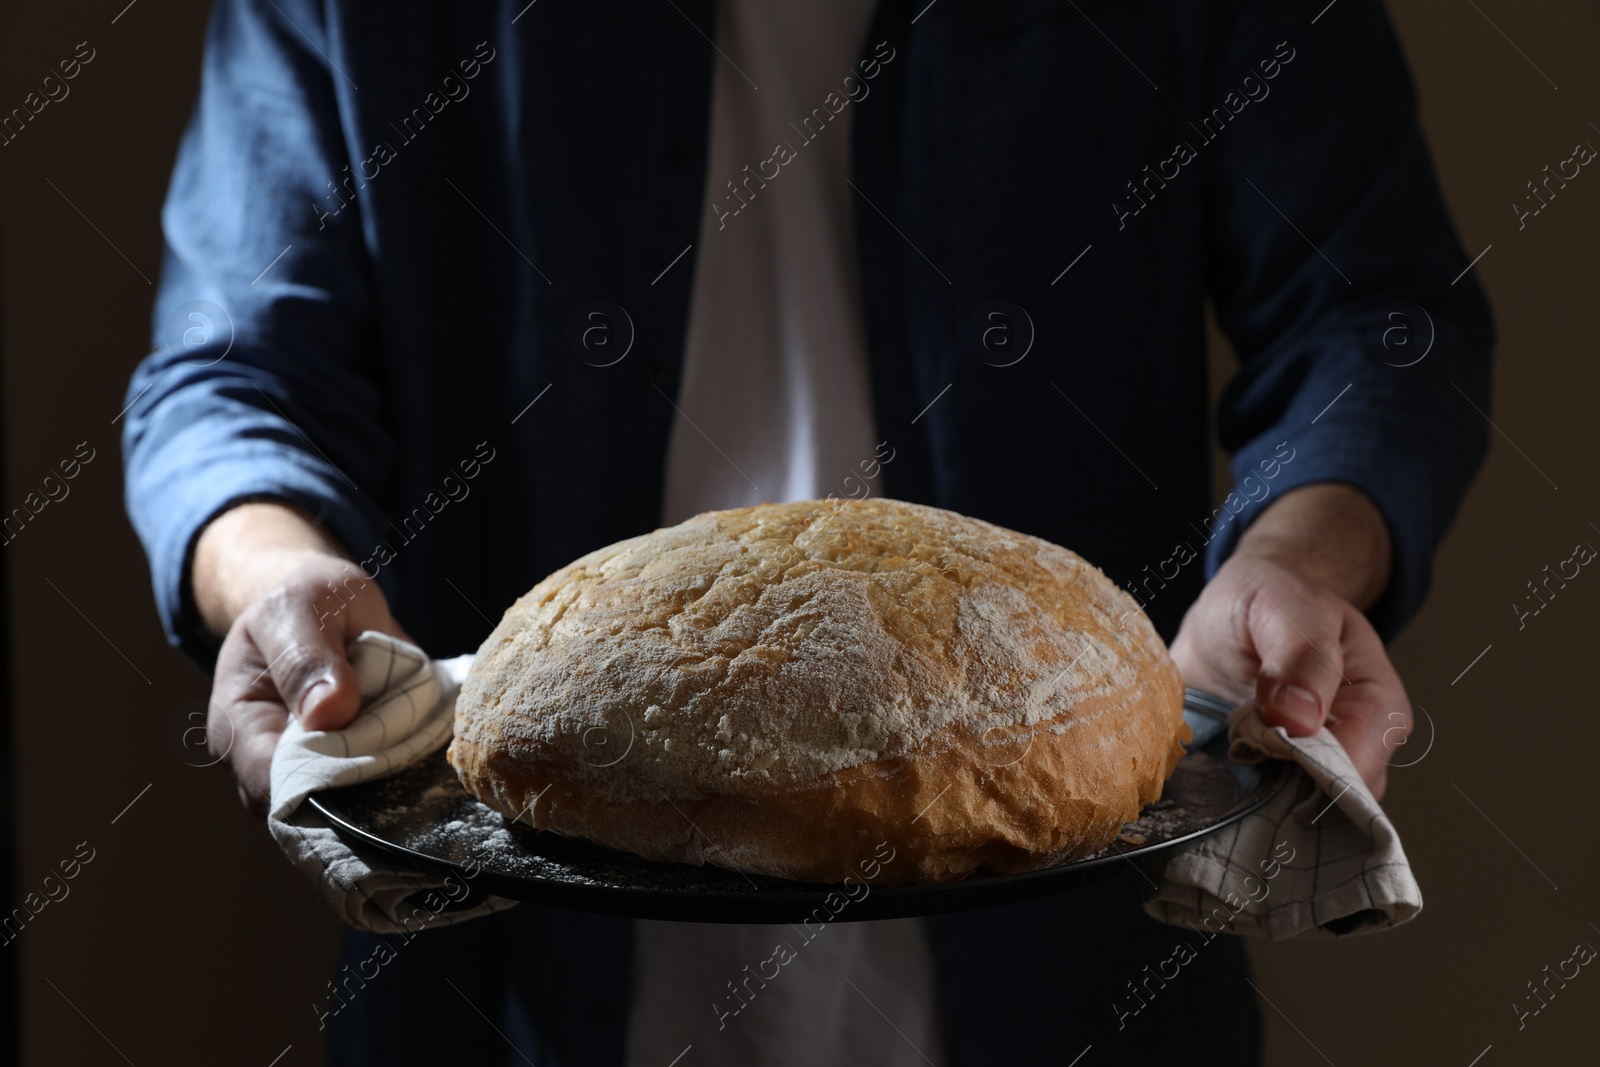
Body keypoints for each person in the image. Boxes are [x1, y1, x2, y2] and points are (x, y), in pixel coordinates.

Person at [122, 0, 1491, 1063]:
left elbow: (1377, 318)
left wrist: (1294, 566)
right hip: (515, 985)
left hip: (1075, 972)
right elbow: (230, 379)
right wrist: (278, 579)